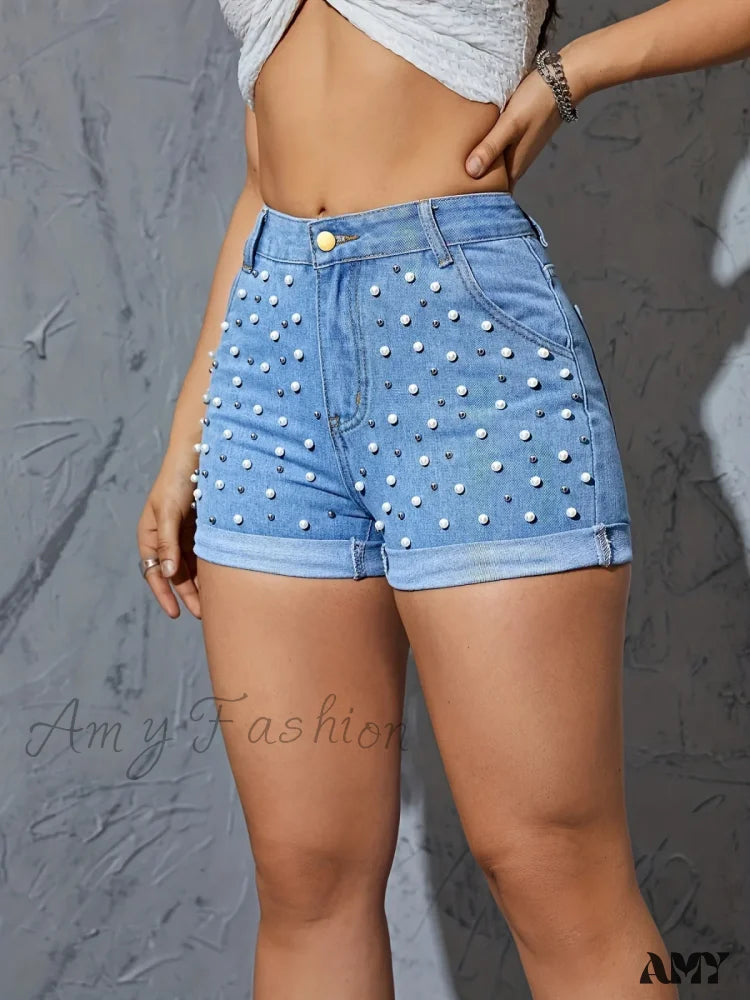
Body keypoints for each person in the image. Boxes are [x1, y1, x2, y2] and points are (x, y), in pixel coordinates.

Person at [136, 2, 750, 997]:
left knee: (549, 865)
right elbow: (267, 156)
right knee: (306, 881)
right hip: (268, 354)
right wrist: (188, 432)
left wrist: (574, 71)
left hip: (466, 340)